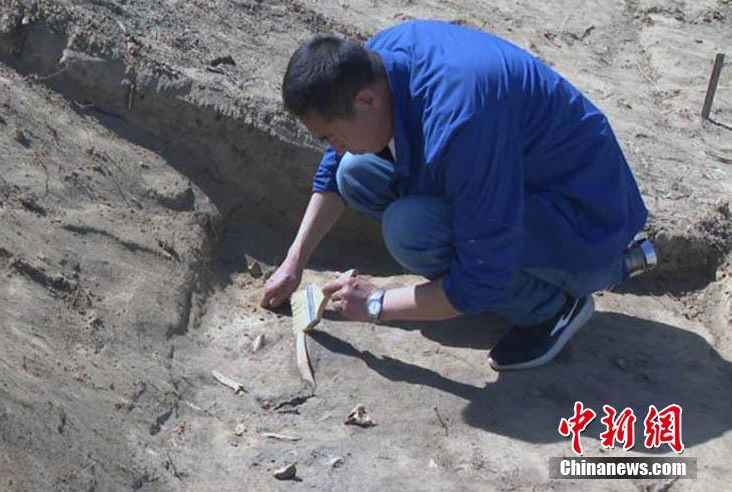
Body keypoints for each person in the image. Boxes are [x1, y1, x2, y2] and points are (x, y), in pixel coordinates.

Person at [261, 20, 654, 370]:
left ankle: (550, 309)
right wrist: (295, 261)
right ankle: (492, 286)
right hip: (520, 182)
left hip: (586, 221)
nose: (335, 146)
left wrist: (377, 304)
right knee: (354, 172)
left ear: (366, 100)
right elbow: (334, 166)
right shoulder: (378, 61)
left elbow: (479, 280)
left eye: (333, 135)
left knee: (410, 229)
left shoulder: (461, 123)